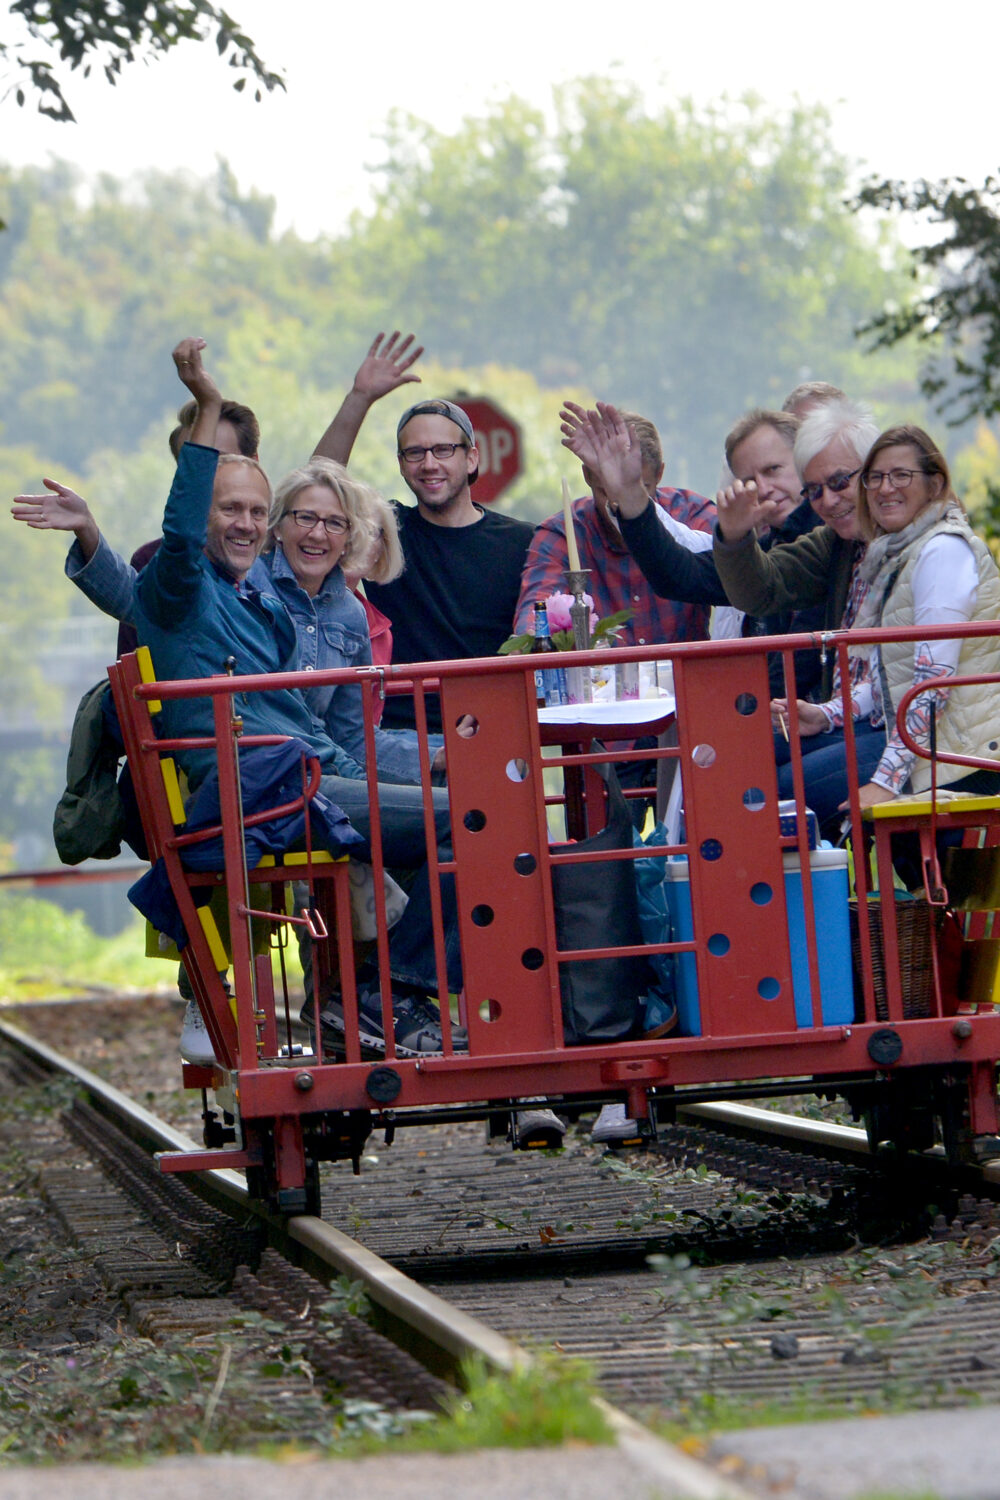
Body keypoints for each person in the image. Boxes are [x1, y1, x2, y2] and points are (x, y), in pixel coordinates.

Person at [14, 339, 467, 1061]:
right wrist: (210, 403)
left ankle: (373, 999)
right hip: (266, 793)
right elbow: (171, 552)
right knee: (469, 821)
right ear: (205, 517)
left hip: (310, 776)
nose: (247, 523)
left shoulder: (262, 603)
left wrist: (407, 767)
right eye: (232, 509)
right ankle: (391, 993)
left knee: (461, 808)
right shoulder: (183, 582)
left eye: (257, 512)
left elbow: (319, 502)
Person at [561, 402, 826, 699]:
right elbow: (679, 576)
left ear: (806, 464)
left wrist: (740, 709)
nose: (762, 488)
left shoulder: (832, 538)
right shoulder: (771, 547)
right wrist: (627, 493)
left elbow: (800, 665)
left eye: (773, 469)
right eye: (749, 480)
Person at [712, 399, 886, 825]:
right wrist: (734, 535)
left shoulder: (927, 543)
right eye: (814, 491)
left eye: (840, 482)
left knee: (781, 791)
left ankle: (810, 889)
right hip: (859, 716)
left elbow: (926, 678)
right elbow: (763, 587)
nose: (827, 501)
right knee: (724, 760)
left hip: (920, 736)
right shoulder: (839, 543)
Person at [339, 398, 535, 737]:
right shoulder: (387, 529)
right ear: (401, 464)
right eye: (415, 453)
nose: (429, 464)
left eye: (443, 450)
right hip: (402, 738)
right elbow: (316, 488)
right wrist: (359, 398)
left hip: (493, 730)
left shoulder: (522, 541)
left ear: (472, 457)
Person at [514, 411, 716, 645]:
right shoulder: (561, 534)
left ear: (660, 473)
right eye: (607, 490)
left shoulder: (692, 514)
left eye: (639, 492)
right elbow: (534, 624)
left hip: (688, 680)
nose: (618, 506)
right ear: (588, 476)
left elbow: (744, 573)